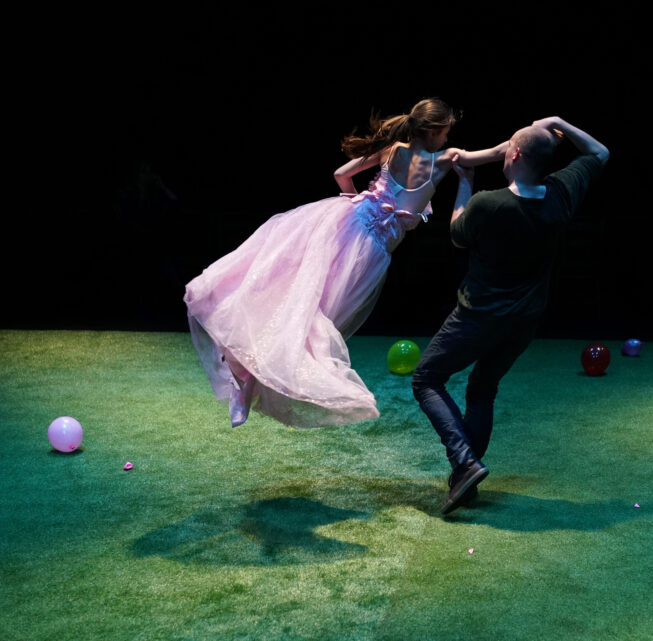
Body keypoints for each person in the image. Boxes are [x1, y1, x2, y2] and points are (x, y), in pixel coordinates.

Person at [185, 98, 508, 428]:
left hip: (342, 224)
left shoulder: (393, 149)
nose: (447, 138)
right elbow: (496, 153)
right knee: (310, 313)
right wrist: (536, 131)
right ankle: (247, 381)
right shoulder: (445, 160)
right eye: (446, 132)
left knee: (296, 300)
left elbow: (341, 173)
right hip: (368, 251)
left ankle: (245, 379)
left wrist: (351, 197)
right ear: (435, 132)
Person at [412, 116, 609, 514]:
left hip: (478, 316)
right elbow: (600, 152)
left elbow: (456, 234)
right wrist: (558, 123)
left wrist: (465, 183)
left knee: (427, 378)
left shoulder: (489, 203)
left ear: (514, 154)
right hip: (525, 322)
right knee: (482, 389)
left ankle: (464, 462)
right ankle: (464, 478)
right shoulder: (562, 192)